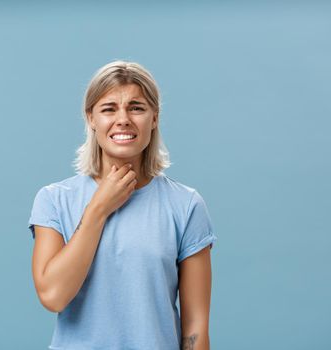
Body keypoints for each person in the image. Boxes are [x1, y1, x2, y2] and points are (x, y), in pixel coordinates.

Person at [28, 60, 217, 350]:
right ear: (90, 118)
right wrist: (99, 208)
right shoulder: (54, 199)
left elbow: (195, 328)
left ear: (154, 117)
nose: (123, 119)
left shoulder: (186, 205)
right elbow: (53, 295)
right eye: (108, 109)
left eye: (137, 107)